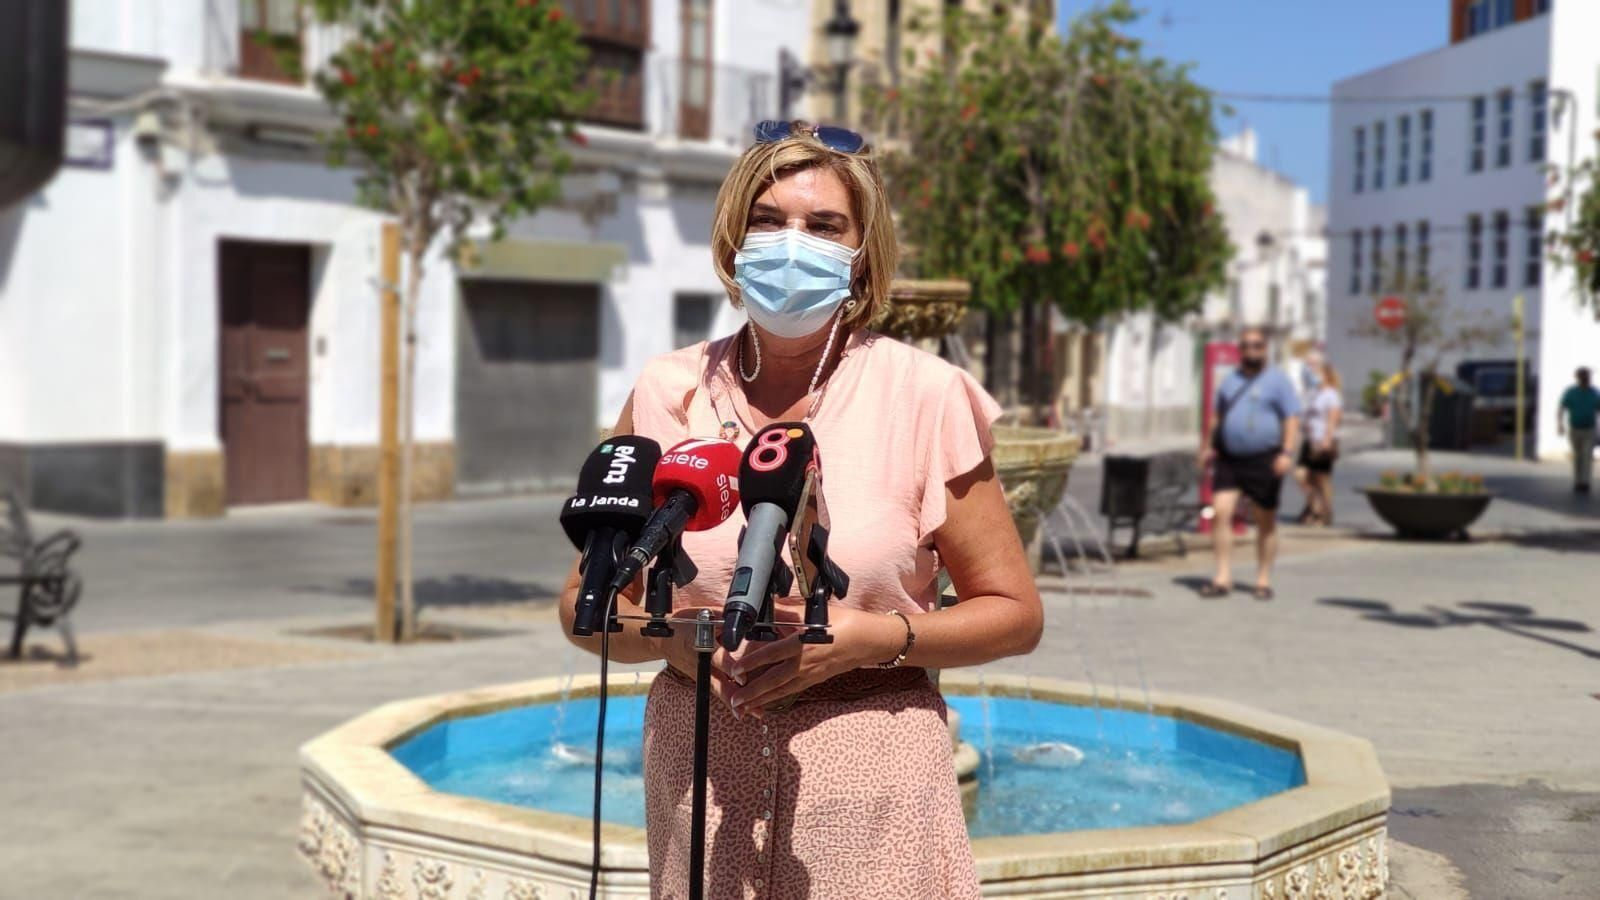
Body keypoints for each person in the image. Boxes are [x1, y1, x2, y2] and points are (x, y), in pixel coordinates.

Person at [557, 121, 1042, 899]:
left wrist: (873, 639)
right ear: (733, 241)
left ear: (862, 254)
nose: (792, 243)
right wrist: (679, 643)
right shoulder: (665, 391)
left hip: (875, 784)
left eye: (823, 226)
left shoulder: (926, 394)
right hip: (699, 775)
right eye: (768, 220)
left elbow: (1015, 615)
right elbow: (583, 605)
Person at [1198, 326, 1302, 600]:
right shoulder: (1230, 380)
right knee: (1220, 512)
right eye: (1245, 345)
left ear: (1265, 349)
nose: (1250, 350)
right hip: (1229, 458)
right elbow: (1217, 415)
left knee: (1264, 520)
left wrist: (1286, 453)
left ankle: (1263, 579)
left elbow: (1291, 418)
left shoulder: (1278, 381)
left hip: (1264, 458)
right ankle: (1222, 576)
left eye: (1256, 345)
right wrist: (1207, 446)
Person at [1297, 361, 1343, 525]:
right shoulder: (1313, 393)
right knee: (1301, 475)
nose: (1314, 376)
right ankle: (1314, 506)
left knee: (1321, 479)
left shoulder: (1331, 395)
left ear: (1327, 375)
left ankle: (1325, 511)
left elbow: (1333, 419)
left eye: (1318, 373)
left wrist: (1327, 440)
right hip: (1309, 440)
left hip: (1323, 440)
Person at [1558, 366, 1599, 494]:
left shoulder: (1594, 392)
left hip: (1589, 429)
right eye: (1583, 376)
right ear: (1578, 378)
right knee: (1577, 456)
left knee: (1587, 455)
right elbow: (1562, 408)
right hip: (1575, 428)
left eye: (1587, 376)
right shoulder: (1571, 392)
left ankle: (1585, 482)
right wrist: (1560, 424)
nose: (1586, 378)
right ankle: (1578, 481)